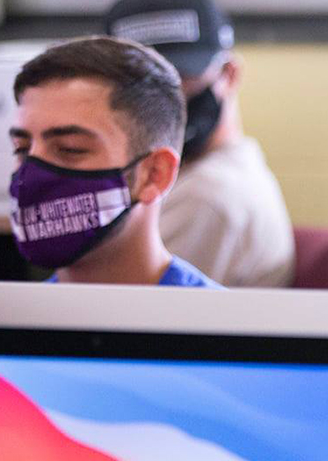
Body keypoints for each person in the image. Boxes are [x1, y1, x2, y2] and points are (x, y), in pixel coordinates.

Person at [106, 0, 295, 287]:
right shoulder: (209, 171)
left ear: (229, 74)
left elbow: (122, 313)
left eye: (180, 77)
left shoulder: (205, 198)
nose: (161, 100)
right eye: (138, 85)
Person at [10, 36, 220, 288]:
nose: (32, 175)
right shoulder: (1, 320)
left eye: (70, 149)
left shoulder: (221, 324)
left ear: (155, 174)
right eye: (22, 150)